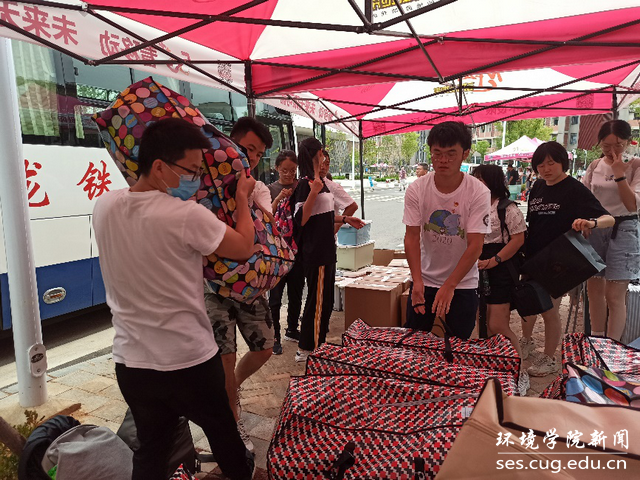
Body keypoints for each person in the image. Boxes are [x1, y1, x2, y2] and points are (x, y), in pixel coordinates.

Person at [93, 118, 256, 480]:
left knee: (151, 451)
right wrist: (243, 199)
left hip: (132, 363)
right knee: (225, 439)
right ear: (159, 166)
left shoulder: (104, 206)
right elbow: (244, 247)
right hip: (189, 361)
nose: (195, 179)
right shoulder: (185, 215)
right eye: (191, 171)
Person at [204, 117, 274, 452]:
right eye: (248, 150)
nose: (252, 159)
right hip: (214, 286)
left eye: (258, 154)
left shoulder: (257, 188)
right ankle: (233, 425)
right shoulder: (207, 184)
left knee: (265, 347)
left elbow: (265, 229)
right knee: (225, 358)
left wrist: (246, 197)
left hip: (249, 284)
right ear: (229, 146)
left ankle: (231, 388)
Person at [520, 141, 614, 377]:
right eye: (540, 165)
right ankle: (526, 341)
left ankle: (550, 357)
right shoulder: (537, 187)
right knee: (528, 302)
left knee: (549, 309)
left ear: (563, 162)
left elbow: (609, 219)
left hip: (559, 259)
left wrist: (590, 223)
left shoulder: (574, 188)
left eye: (551, 163)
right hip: (533, 256)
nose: (545, 169)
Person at [403, 121, 491, 339]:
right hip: (424, 279)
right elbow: (412, 237)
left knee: (457, 345)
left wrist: (450, 285)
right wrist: (417, 281)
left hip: (462, 282)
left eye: (451, 153)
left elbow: (476, 245)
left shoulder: (478, 192)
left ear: (465, 154)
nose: (443, 160)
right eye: (437, 153)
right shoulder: (417, 189)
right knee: (414, 343)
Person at [291, 137, 365, 363]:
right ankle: (307, 348)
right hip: (316, 253)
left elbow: (322, 217)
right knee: (317, 302)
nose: (324, 158)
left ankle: (319, 343)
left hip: (326, 250)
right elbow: (300, 220)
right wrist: (313, 192)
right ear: (317, 154)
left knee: (324, 302)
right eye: (322, 153)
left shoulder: (319, 182)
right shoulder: (305, 184)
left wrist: (345, 219)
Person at [473, 164, 529, 395]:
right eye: (474, 178)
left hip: (500, 269)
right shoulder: (472, 205)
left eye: (481, 179)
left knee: (498, 324)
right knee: (481, 323)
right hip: (476, 268)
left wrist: (495, 260)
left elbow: (518, 239)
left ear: (493, 181)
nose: (476, 183)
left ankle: (519, 371)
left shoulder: (507, 208)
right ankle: (491, 368)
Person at [583, 120, 640, 340]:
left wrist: (619, 174)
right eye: (606, 145)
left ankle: (612, 346)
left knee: (615, 295)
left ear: (628, 141)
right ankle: (597, 340)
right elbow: (585, 198)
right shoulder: (595, 165)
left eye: (618, 145)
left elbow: (631, 205)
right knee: (594, 289)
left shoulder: (635, 165)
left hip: (624, 228)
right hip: (596, 227)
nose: (612, 151)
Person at [267, 150, 304, 355]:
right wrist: (280, 197)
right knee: (275, 297)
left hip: (297, 251)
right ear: (277, 169)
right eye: (284, 170)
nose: (289, 174)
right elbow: (266, 216)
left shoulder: (301, 187)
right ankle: (275, 337)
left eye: (293, 170)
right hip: (277, 254)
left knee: (296, 293)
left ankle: (292, 328)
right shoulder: (270, 189)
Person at [321, 149, 359, 234]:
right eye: (321, 163)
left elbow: (352, 206)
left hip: (325, 237)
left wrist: (336, 227)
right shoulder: (305, 184)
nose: (323, 167)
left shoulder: (332, 187)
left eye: (327, 164)